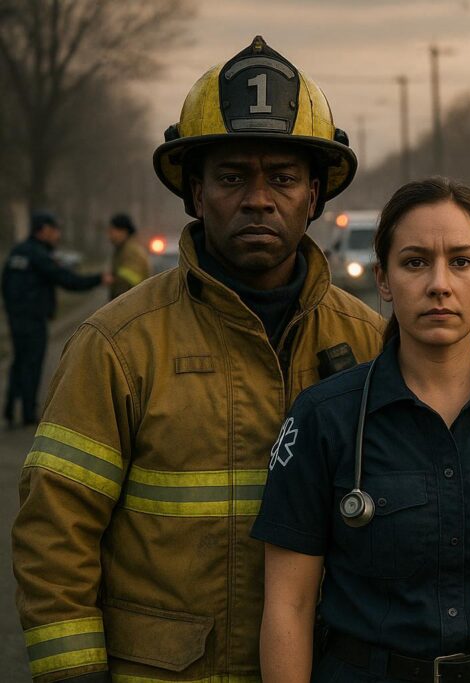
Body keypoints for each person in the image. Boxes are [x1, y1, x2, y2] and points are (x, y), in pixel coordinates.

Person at [11, 36, 384, 682]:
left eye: (284, 177)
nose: (259, 198)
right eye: (233, 176)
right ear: (194, 192)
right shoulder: (117, 347)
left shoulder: (374, 342)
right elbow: (54, 541)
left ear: (317, 196)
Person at [253, 177, 470, 683]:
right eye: (415, 262)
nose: (439, 283)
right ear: (383, 279)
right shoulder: (324, 418)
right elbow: (290, 602)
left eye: (461, 262)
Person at [2, 210, 109, 428]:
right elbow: (66, 280)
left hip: (16, 316)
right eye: (54, 230)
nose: (57, 235)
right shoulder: (38, 255)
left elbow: (4, 284)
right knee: (32, 362)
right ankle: (29, 413)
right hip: (33, 318)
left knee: (19, 360)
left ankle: (10, 409)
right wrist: (98, 279)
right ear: (43, 230)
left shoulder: (18, 252)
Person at [106, 212, 150, 299]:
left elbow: (133, 279)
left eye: (112, 231)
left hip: (133, 302)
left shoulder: (131, 250)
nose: (110, 236)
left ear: (123, 231)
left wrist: (114, 279)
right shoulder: (122, 249)